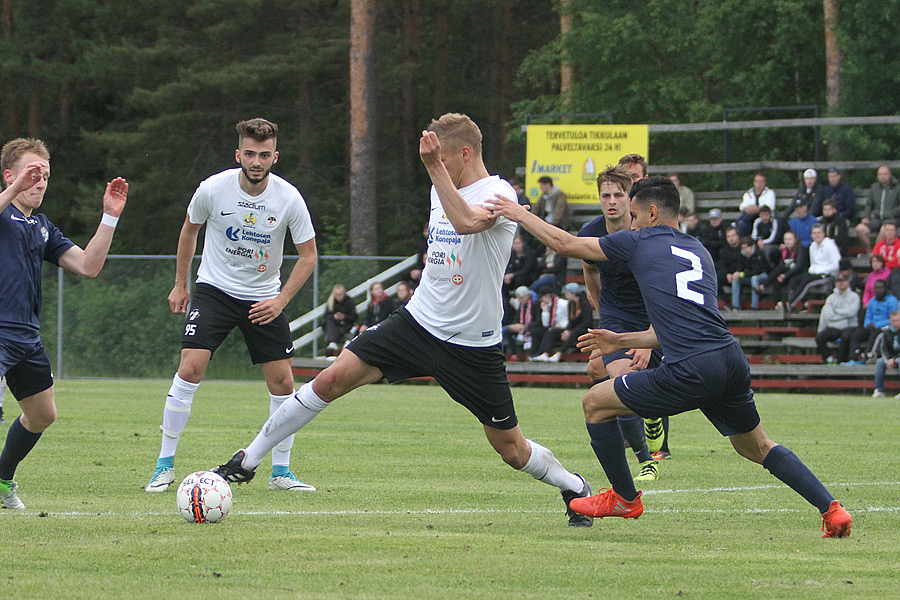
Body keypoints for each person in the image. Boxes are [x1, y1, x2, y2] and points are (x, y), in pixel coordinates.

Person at [213, 113, 595, 528]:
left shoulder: (498, 191)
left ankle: (574, 486)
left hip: (472, 344)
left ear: (464, 154)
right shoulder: (439, 185)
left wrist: (434, 168)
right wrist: (436, 174)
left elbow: (467, 224)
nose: (437, 167)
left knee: (511, 450)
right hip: (416, 323)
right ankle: (247, 460)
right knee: (330, 379)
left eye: (442, 159)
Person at [486, 175, 852, 538]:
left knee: (595, 403)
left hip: (691, 367)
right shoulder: (699, 251)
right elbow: (679, 324)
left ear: (652, 213)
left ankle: (625, 498)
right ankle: (831, 509)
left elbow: (563, 243)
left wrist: (517, 212)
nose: (630, 222)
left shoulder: (637, 241)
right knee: (755, 446)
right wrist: (620, 340)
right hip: (728, 359)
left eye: (634, 214)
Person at [145, 118, 318, 494]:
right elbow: (190, 229)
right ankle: (163, 466)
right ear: (238, 154)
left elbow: (308, 255)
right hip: (215, 291)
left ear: (275, 156)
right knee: (190, 368)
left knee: (284, 383)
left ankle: (281, 473)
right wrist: (181, 284)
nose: (257, 161)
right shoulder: (212, 189)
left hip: (264, 298)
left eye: (265, 154)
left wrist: (280, 300)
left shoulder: (289, 197)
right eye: (250, 153)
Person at [0, 137, 128, 510]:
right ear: (10, 175)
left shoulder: (41, 226)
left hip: (25, 335)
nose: (39, 181)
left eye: (45, 175)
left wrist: (110, 216)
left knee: (42, 415)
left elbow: (89, 265)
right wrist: (12, 190)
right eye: (32, 173)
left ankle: (3, 479)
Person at [577, 164, 663, 480]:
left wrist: (651, 337)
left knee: (617, 382)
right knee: (617, 383)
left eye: (618, 194)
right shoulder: (590, 233)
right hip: (615, 317)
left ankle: (651, 411)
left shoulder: (645, 233)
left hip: (652, 315)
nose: (612, 201)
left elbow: (660, 288)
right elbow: (589, 270)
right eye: (605, 195)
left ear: (630, 198)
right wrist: (602, 309)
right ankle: (646, 460)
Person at [788, 223, 841, 309]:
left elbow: (837, 264)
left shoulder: (830, 245)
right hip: (814, 273)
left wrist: (823, 270)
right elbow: (813, 263)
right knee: (793, 280)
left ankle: (790, 304)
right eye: (814, 233)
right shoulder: (812, 246)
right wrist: (813, 270)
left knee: (806, 281)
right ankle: (805, 303)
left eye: (819, 233)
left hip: (826, 275)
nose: (817, 235)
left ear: (823, 233)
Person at [845, 280, 899, 364]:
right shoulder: (872, 301)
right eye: (876, 288)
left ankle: (867, 357)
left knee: (875, 334)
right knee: (856, 335)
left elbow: (893, 318)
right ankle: (853, 358)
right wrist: (867, 324)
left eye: (881, 287)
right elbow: (868, 316)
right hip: (871, 325)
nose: (878, 290)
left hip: (885, 326)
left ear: (885, 288)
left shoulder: (892, 300)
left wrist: (876, 325)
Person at [813, 274, 860, 364]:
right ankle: (828, 358)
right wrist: (844, 314)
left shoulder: (854, 296)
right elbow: (829, 315)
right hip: (834, 326)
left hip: (849, 326)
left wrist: (837, 311)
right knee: (819, 337)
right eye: (838, 281)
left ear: (847, 282)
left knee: (846, 336)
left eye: (843, 281)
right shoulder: (831, 298)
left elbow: (852, 313)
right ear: (835, 283)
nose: (841, 283)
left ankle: (840, 361)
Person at [757, 230, 809, 309]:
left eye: (790, 239)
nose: (788, 242)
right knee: (777, 279)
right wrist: (783, 275)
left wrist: (785, 275)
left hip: (798, 274)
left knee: (789, 278)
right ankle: (778, 304)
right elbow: (782, 265)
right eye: (786, 239)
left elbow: (799, 267)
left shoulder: (800, 249)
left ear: (795, 240)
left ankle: (764, 285)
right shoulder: (785, 251)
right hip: (788, 274)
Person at [856, 166, 900, 255]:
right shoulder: (874, 187)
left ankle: (877, 255)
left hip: (892, 218)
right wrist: (866, 217)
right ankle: (870, 253)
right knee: (860, 229)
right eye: (880, 174)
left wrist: (892, 213)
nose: (882, 176)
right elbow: (869, 204)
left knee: (884, 230)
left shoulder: (897, 187)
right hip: (876, 218)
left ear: (890, 175)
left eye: (885, 174)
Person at [553, 283, 594, 359]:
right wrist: (567, 330)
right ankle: (545, 353)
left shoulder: (585, 304)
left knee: (573, 333)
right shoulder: (570, 304)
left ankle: (559, 353)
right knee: (552, 332)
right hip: (574, 329)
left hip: (584, 329)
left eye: (567, 293)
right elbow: (571, 321)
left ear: (573, 293)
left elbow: (586, 322)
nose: (566, 294)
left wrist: (570, 331)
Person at [530, 287, 569, 361]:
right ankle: (536, 354)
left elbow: (568, 317)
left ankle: (545, 353)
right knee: (536, 331)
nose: (541, 300)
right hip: (553, 327)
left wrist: (563, 325)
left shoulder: (563, 303)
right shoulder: (548, 305)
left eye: (542, 297)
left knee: (550, 332)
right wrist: (544, 311)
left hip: (563, 327)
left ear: (547, 295)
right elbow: (545, 324)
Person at [323, 284, 357, 357]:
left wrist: (344, 317)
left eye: (340, 294)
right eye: (337, 294)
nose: (339, 296)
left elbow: (354, 317)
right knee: (330, 323)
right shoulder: (331, 303)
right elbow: (325, 318)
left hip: (346, 325)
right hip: (334, 325)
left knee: (332, 329)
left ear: (344, 293)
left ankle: (332, 344)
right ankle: (332, 344)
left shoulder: (349, 302)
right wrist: (334, 317)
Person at [871, 310, 900, 398]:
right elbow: (883, 348)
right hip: (889, 357)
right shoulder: (886, 332)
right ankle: (879, 390)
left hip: (898, 357)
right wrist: (888, 360)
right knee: (880, 362)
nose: (896, 323)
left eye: (898, 320)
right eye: (893, 321)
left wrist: (895, 360)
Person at [503, 286, 538, 356]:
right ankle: (513, 354)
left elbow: (538, 321)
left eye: (521, 298)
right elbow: (517, 318)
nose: (520, 300)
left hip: (530, 327)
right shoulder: (521, 306)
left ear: (527, 296)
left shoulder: (535, 305)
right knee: (507, 331)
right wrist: (514, 325)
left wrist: (525, 326)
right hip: (521, 326)